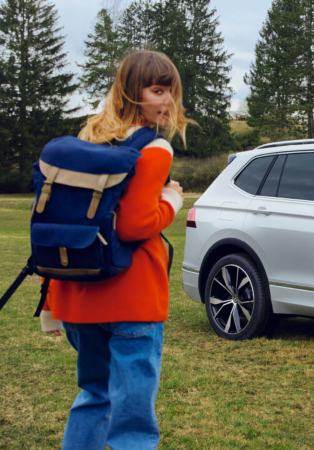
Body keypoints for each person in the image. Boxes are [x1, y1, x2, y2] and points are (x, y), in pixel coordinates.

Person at [47, 50, 191, 450]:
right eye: (158, 90)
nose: (168, 102)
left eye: (171, 92)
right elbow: (135, 224)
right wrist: (173, 200)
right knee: (133, 420)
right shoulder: (155, 149)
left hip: (78, 295)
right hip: (132, 297)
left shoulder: (87, 140)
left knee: (94, 395)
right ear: (132, 92)